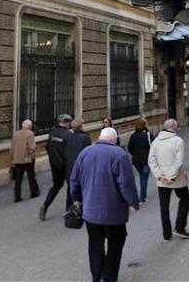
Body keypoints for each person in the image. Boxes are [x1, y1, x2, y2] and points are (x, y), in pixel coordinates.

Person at [70, 127, 139, 282]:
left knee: (95, 245)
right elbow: (126, 183)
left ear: (100, 137)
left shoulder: (85, 153)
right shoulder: (119, 154)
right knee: (116, 242)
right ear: (114, 139)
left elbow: (74, 180)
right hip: (113, 211)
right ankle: (108, 277)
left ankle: (96, 277)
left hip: (90, 211)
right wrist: (132, 202)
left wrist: (76, 198)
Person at [148, 118, 189, 240]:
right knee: (184, 199)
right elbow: (179, 162)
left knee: (164, 207)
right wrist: (170, 177)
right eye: (177, 126)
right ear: (173, 128)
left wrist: (160, 176)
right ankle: (180, 227)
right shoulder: (178, 141)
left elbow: (151, 160)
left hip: (161, 180)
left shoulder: (156, 141)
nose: (178, 128)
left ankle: (166, 234)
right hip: (177, 178)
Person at [39, 114, 73, 221]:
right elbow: (69, 151)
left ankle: (45, 205)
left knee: (56, 186)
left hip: (54, 165)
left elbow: (48, 148)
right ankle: (68, 211)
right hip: (66, 165)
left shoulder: (52, 133)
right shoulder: (68, 135)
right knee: (71, 186)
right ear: (67, 123)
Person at [64, 117, 91, 210]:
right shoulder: (85, 138)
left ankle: (68, 209)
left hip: (69, 166)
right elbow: (88, 155)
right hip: (81, 167)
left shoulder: (68, 137)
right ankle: (82, 209)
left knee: (71, 188)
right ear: (81, 126)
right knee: (83, 188)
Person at [10, 119, 39, 202]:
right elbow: (32, 147)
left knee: (18, 179)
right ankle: (33, 192)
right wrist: (32, 156)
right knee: (31, 176)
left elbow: (12, 148)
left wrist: (13, 158)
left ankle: (17, 196)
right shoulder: (30, 134)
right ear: (30, 126)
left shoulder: (16, 133)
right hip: (27, 159)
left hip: (17, 159)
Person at [126, 118, 153, 203]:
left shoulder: (133, 136)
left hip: (136, 161)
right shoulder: (148, 134)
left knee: (141, 176)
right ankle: (142, 197)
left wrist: (135, 153)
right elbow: (154, 146)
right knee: (144, 178)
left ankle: (142, 196)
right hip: (146, 160)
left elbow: (129, 148)